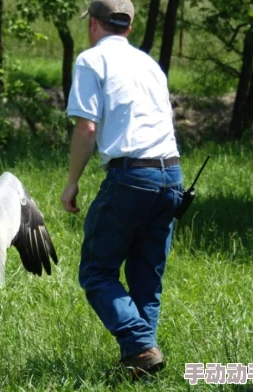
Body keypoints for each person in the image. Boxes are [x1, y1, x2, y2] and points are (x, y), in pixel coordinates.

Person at [60, 0, 183, 378]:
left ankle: (140, 344)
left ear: (93, 24)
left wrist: (71, 183)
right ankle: (141, 365)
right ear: (128, 28)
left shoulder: (91, 60)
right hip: (172, 175)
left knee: (97, 272)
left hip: (130, 176)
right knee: (147, 277)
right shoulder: (150, 65)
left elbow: (88, 128)